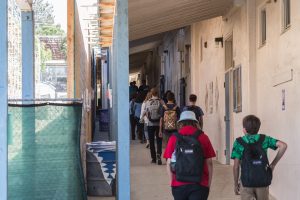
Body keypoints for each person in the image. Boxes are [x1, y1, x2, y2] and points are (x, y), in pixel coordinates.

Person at [231, 115, 287, 200]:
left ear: (244, 129)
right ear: (258, 128)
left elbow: (236, 166)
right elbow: (283, 146)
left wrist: (235, 184)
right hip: (262, 181)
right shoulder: (264, 139)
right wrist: (273, 164)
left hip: (246, 182)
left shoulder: (239, 142)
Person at [164, 111, 216, 200]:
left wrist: (172, 181)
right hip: (199, 184)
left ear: (180, 123)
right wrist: (208, 184)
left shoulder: (174, 138)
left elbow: (169, 163)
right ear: (195, 122)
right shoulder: (203, 137)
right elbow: (209, 163)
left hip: (178, 184)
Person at [145, 87, 163, 165]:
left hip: (150, 124)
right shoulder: (161, 101)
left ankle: (153, 158)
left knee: (151, 141)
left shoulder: (148, 102)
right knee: (159, 141)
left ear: (151, 94)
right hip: (159, 124)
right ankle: (158, 154)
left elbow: (146, 113)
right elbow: (164, 112)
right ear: (157, 93)